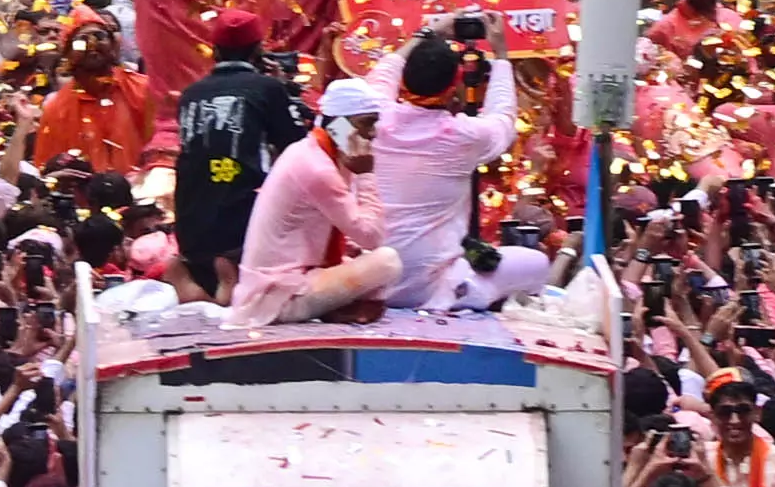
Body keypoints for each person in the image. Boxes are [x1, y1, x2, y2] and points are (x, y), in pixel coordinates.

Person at [367, 17, 553, 312]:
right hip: (429, 288)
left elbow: (384, 72)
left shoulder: (373, 119)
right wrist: (501, 56)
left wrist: (426, 31)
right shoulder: (462, 136)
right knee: (537, 263)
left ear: (403, 80)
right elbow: (503, 119)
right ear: (454, 86)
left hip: (371, 279)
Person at [229, 76, 402, 326]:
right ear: (341, 125)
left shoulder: (316, 149)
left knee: (363, 256)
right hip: (277, 297)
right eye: (367, 123)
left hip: (291, 282)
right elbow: (372, 237)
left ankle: (343, 307)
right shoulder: (316, 166)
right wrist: (366, 175)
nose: (373, 133)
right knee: (388, 260)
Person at [173, 6, 309, 298]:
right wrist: (284, 92)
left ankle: (205, 285)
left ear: (215, 51)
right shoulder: (267, 88)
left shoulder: (190, 94)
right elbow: (298, 148)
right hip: (242, 229)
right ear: (258, 51)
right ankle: (232, 287)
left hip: (190, 228)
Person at [32, 13, 158, 175]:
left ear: (113, 45)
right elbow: (45, 170)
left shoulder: (144, 89)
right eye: (81, 40)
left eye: (99, 36)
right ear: (68, 54)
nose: (92, 44)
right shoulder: (56, 110)